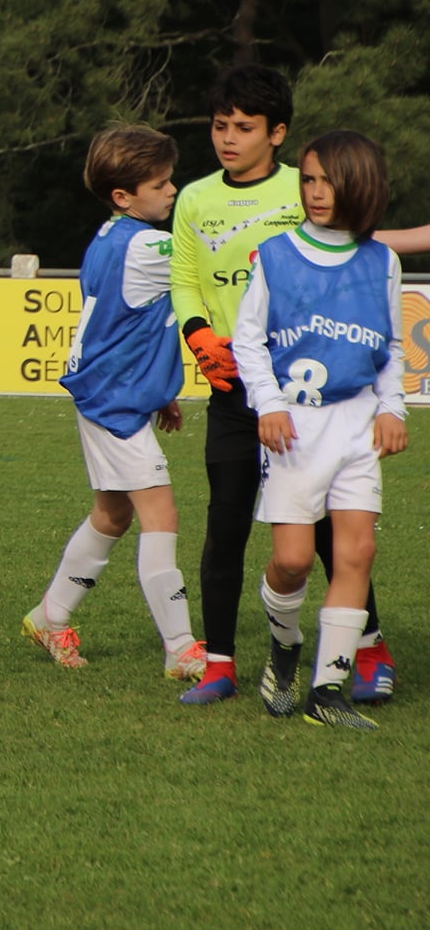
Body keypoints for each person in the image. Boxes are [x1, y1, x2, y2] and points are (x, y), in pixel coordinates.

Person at [170, 65, 393, 705]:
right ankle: (220, 663)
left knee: (329, 531)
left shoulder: (309, 185)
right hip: (236, 391)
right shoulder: (195, 199)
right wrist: (196, 333)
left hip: (311, 398)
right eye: (220, 126)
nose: (228, 138)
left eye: (244, 127)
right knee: (227, 522)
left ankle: (369, 648)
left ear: (278, 133)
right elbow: (185, 278)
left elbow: (362, 247)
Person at [234, 131, 407, 729]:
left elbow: (390, 347)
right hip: (294, 427)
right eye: (308, 179)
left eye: (328, 181)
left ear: (361, 184)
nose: (315, 191)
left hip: (357, 422)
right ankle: (284, 649)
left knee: (357, 551)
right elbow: (248, 341)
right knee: (293, 562)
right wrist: (268, 405)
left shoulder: (382, 261)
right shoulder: (276, 254)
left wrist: (392, 408)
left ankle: (327, 693)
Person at [21, 126, 205, 680]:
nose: (172, 190)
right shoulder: (148, 246)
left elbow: (131, 321)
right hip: (113, 403)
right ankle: (181, 649)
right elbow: (211, 262)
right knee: (161, 515)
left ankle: (50, 617)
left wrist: (159, 391)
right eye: (161, 183)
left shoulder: (110, 234)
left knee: (113, 513)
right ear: (123, 196)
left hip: (108, 391)